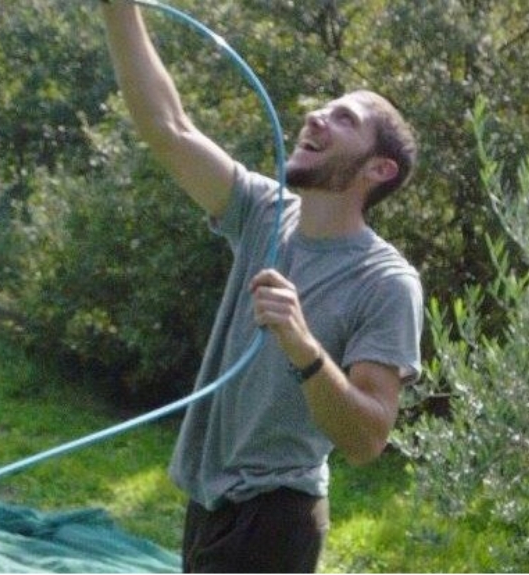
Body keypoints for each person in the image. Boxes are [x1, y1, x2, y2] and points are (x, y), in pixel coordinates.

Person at [101, 2, 424, 572]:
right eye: (321, 108)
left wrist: (301, 344)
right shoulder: (263, 210)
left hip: (275, 519)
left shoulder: (387, 282)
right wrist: (118, 9)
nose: (316, 117)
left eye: (344, 118)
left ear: (379, 170)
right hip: (207, 501)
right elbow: (168, 129)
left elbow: (367, 438)